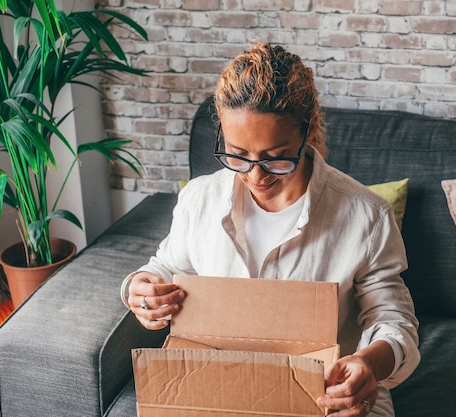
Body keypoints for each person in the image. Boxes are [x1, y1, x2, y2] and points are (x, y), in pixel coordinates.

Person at [121, 41, 420, 416]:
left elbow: (394, 323)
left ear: (308, 130)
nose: (255, 175)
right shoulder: (199, 199)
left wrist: (369, 365)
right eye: (238, 155)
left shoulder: (367, 216)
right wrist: (140, 289)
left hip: (328, 400)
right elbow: (164, 267)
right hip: (219, 394)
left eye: (275, 158)